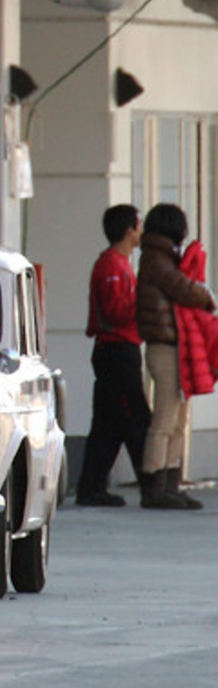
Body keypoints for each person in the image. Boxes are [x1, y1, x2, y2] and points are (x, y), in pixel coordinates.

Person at [136, 203, 215, 509]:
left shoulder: (160, 257)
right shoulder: (157, 259)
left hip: (172, 348)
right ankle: (155, 485)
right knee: (165, 418)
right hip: (165, 348)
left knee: (178, 419)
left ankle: (170, 482)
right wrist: (207, 295)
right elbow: (182, 288)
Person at [76, 204, 151, 507]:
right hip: (116, 350)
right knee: (134, 417)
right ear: (129, 229)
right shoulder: (112, 267)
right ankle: (150, 482)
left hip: (119, 349)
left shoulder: (118, 264)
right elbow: (116, 312)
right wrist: (146, 301)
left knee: (111, 422)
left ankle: (92, 487)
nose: (142, 230)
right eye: (139, 224)